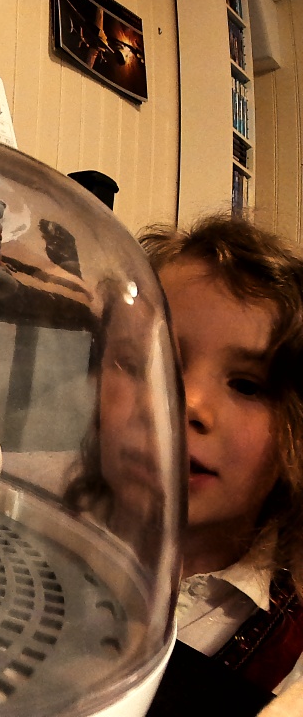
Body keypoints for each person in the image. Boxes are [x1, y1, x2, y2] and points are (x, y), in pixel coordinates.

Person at [138, 214, 303, 695]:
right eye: (159, 359)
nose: (187, 403)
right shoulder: (23, 511)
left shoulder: (291, 657)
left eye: (248, 386)